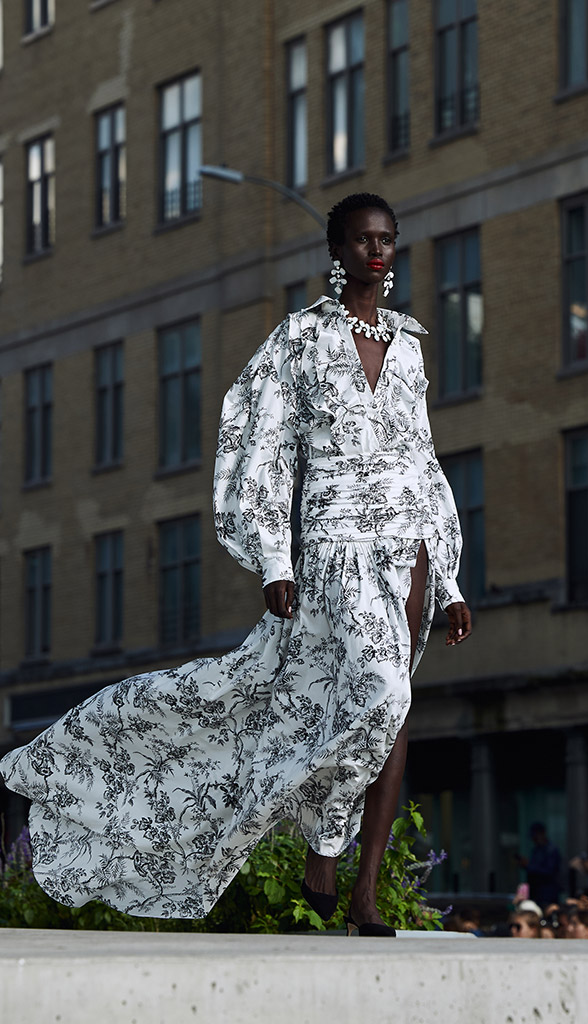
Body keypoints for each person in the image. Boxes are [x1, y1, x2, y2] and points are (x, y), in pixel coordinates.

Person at [0, 193, 471, 937]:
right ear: (336, 250)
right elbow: (260, 445)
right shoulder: (297, 340)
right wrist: (273, 559)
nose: (376, 251)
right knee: (377, 700)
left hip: (408, 547)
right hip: (333, 550)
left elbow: (423, 459)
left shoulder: (410, 343)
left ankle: (364, 895)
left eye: (386, 239)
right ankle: (322, 851)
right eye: (361, 240)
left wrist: (448, 583)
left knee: (392, 714)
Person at [517, 822, 562, 907]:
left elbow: (549, 871)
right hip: (536, 891)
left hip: (547, 892)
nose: (534, 839)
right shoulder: (536, 850)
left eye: (535, 836)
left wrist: (529, 866)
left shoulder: (551, 850)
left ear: (542, 834)